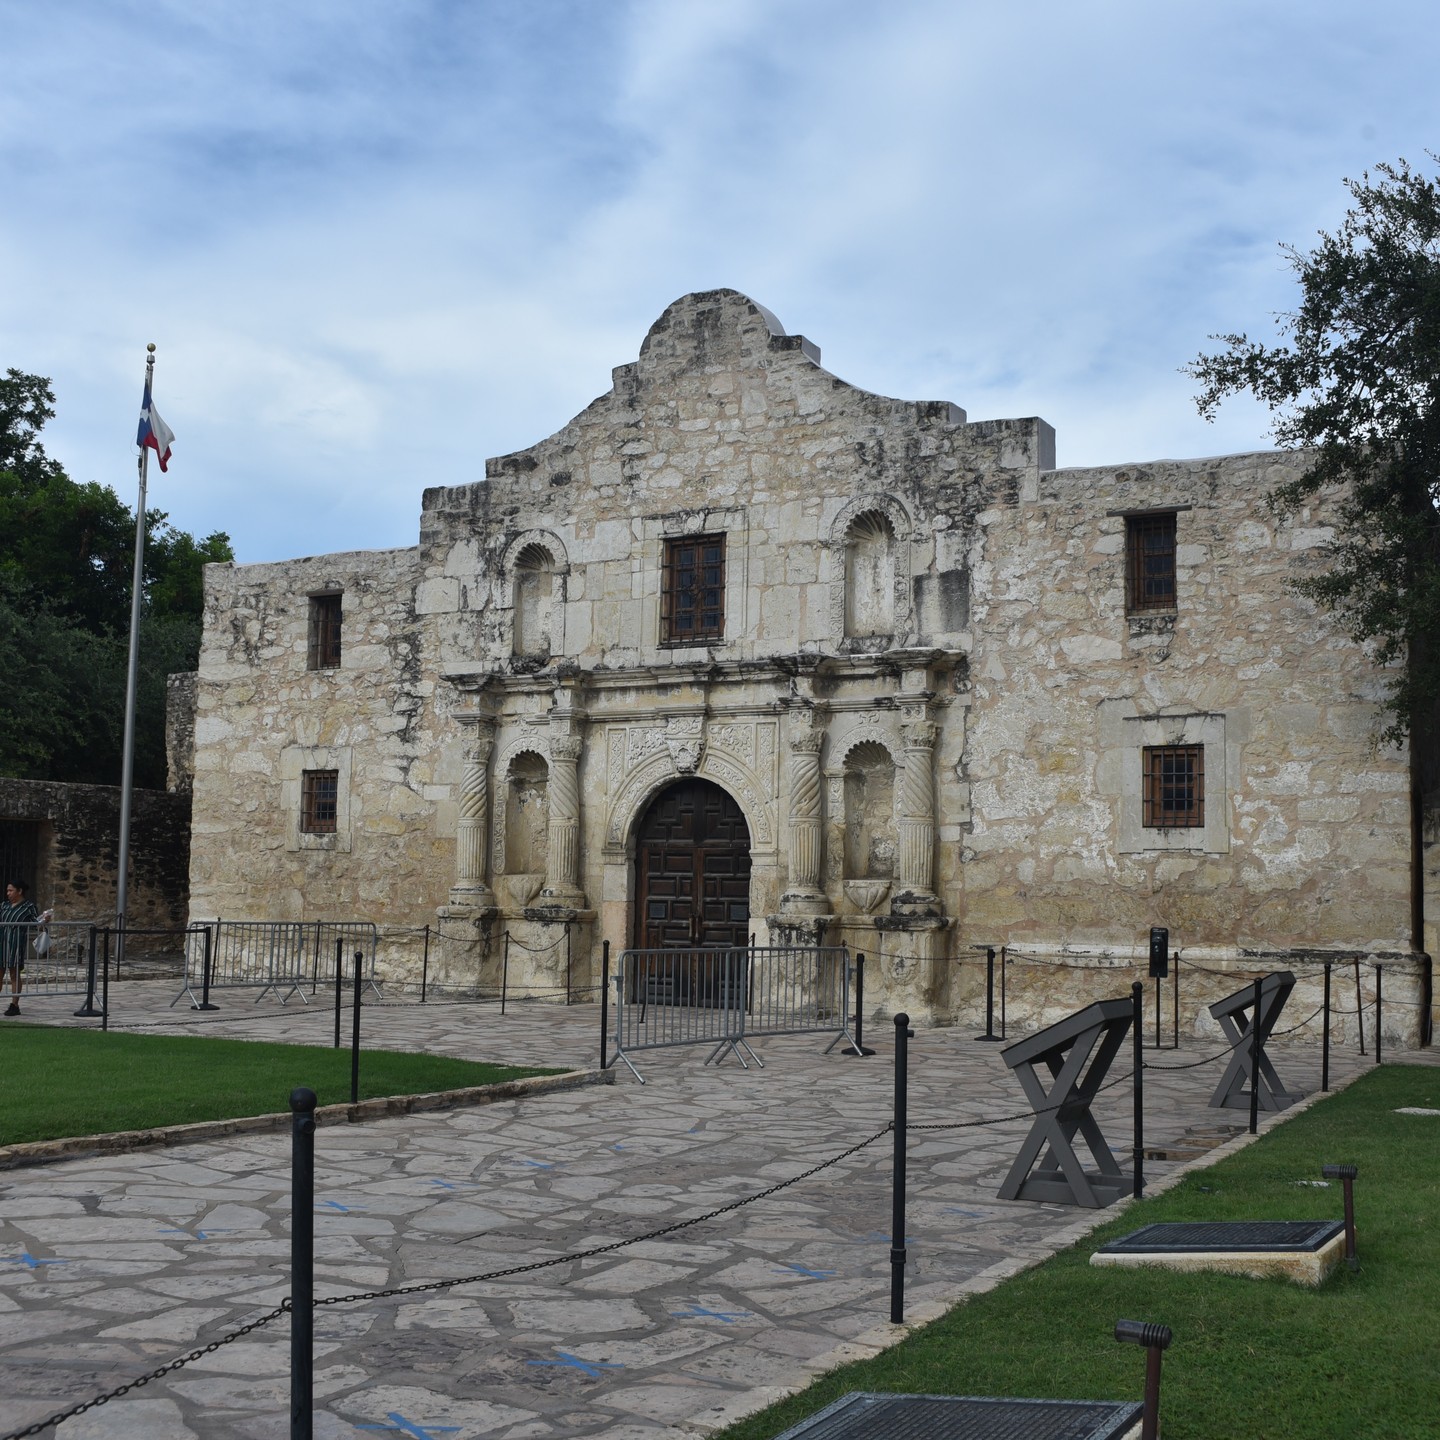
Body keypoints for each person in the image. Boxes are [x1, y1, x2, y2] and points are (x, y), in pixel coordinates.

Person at [0, 879, 46, 1016]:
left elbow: (36, 924)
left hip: (16, 944)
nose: (8, 893)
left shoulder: (28, 907)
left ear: (19, 891)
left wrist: (44, 921)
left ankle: (14, 1005)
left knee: (14, 974)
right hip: (1, 943)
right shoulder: (4, 905)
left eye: (11, 890)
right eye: (7, 890)